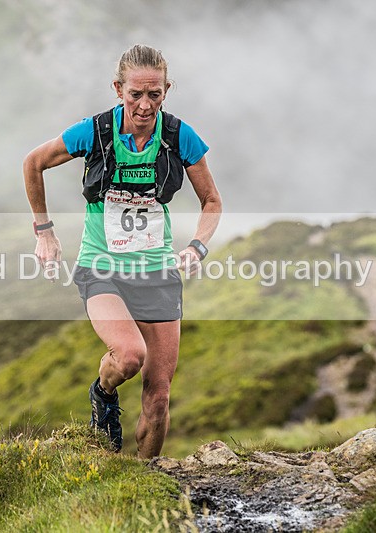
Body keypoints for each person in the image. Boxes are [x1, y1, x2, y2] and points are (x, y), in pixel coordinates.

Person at [23, 44, 221, 458]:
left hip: (157, 271)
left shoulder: (179, 137)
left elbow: (212, 202)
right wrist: (44, 232)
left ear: (166, 90)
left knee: (160, 396)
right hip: (102, 268)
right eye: (136, 95)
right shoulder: (94, 131)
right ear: (118, 89)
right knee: (130, 356)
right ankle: (103, 392)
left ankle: (143, 480)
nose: (145, 105)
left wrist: (197, 247)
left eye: (155, 94)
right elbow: (33, 162)